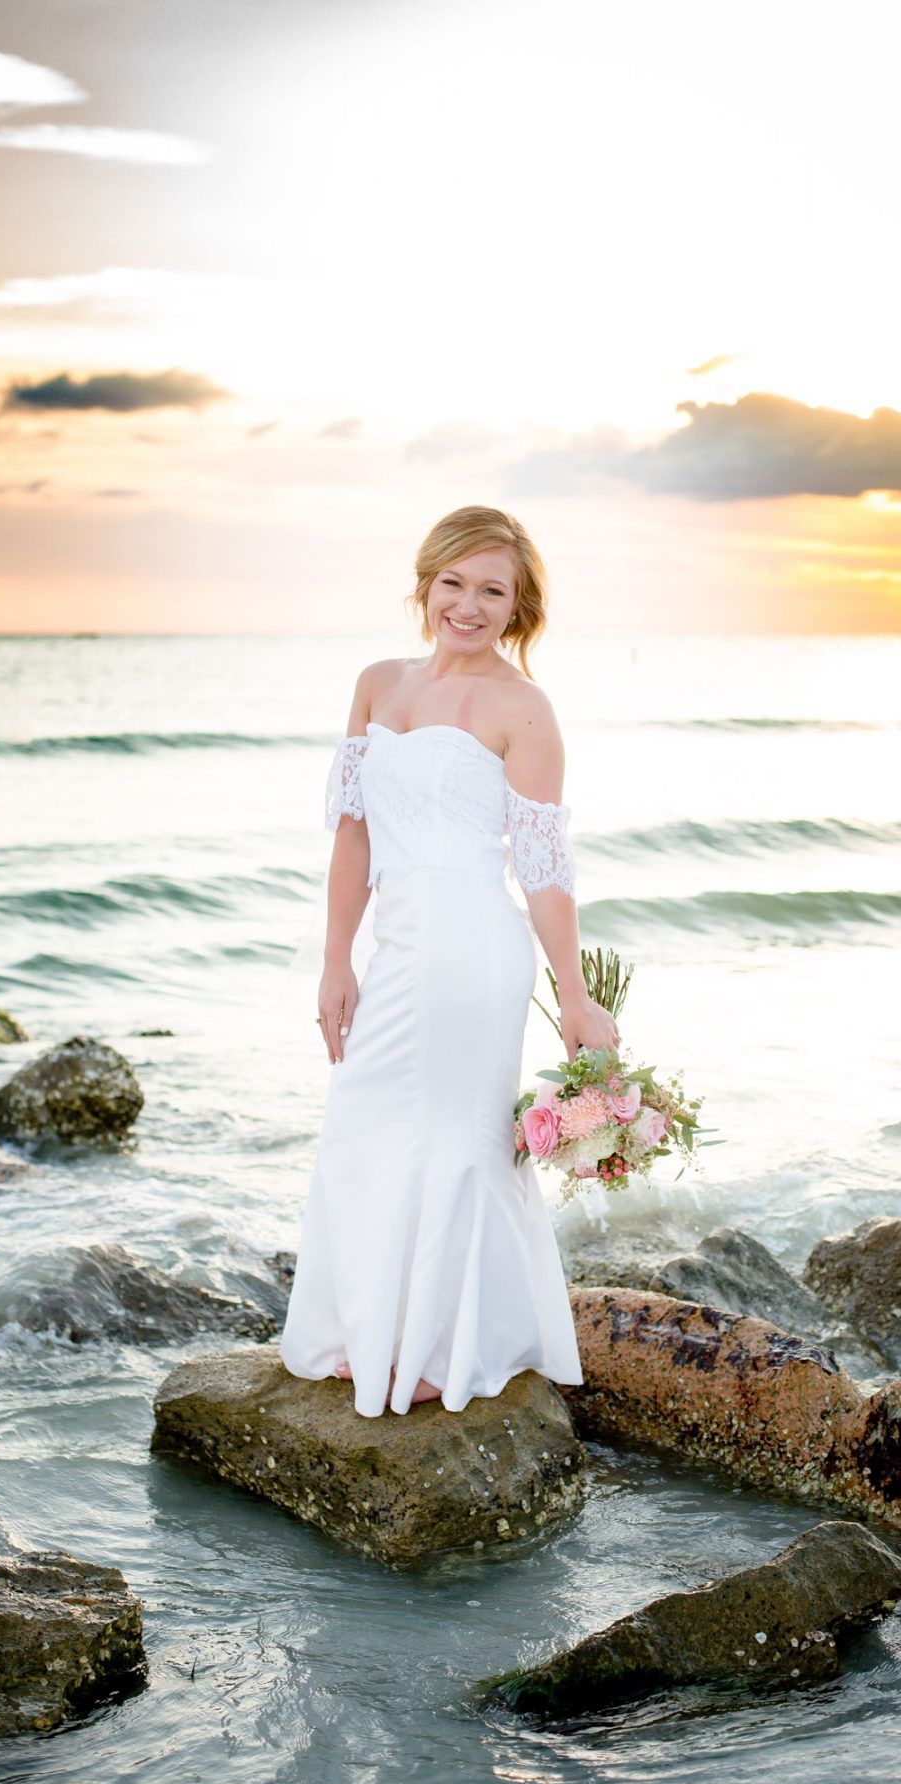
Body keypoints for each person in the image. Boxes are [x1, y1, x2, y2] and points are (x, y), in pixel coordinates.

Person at [279, 504, 619, 1416]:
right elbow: (352, 837)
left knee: (460, 1143)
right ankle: (372, 1328)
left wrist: (577, 999)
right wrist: (334, 963)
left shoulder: (524, 709)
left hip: (476, 951)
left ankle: (444, 1347)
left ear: (520, 607)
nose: (468, 605)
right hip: (396, 952)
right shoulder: (377, 683)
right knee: (365, 1119)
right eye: (454, 583)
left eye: (492, 591)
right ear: (426, 583)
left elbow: (543, 870)